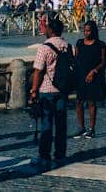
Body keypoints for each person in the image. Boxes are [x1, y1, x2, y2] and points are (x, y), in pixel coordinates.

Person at [30, 16, 70, 170]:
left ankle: (44, 156)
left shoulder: (44, 47)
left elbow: (38, 71)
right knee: (61, 124)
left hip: (47, 90)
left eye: (47, 28)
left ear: (51, 30)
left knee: (46, 124)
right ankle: (60, 155)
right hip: (62, 90)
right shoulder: (68, 46)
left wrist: (34, 90)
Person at [72, 20, 106, 139]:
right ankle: (81, 127)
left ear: (93, 31)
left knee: (91, 102)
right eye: (84, 31)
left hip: (94, 76)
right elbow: (76, 59)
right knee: (79, 102)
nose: (86, 33)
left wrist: (94, 71)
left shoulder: (100, 44)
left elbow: (103, 61)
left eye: (88, 31)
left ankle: (92, 128)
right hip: (81, 76)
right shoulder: (79, 43)